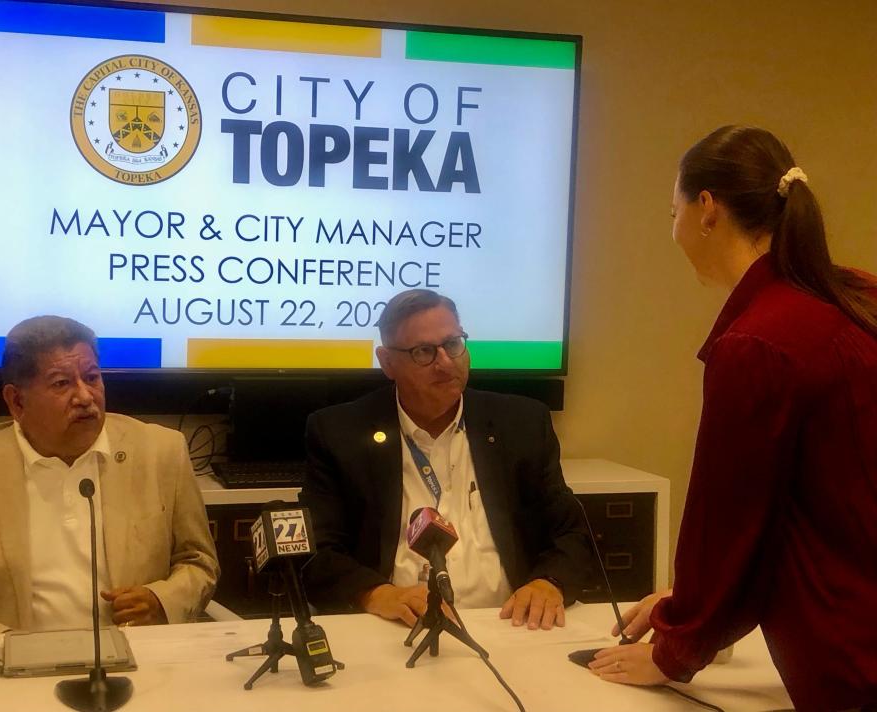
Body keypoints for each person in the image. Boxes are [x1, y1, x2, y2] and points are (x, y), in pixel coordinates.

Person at [588, 126, 877, 711]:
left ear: (706, 209)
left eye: (671, 211)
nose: (671, 231)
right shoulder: (854, 298)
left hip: (847, 648)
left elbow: (732, 519)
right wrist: (684, 602)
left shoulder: (757, 342)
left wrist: (676, 645)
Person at [301, 289, 590, 630]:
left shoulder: (521, 423)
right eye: (424, 352)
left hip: (510, 622)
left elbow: (571, 533)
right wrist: (376, 594)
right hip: (397, 626)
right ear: (388, 362)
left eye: (453, 344)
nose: (446, 362)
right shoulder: (340, 432)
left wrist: (549, 582)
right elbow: (317, 552)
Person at [0, 316, 220, 635]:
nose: (86, 396)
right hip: (7, 672)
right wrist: (5, 644)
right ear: (17, 401)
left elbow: (199, 562)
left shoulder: (161, 453)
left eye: (92, 377)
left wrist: (162, 600)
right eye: (62, 383)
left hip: (139, 662)